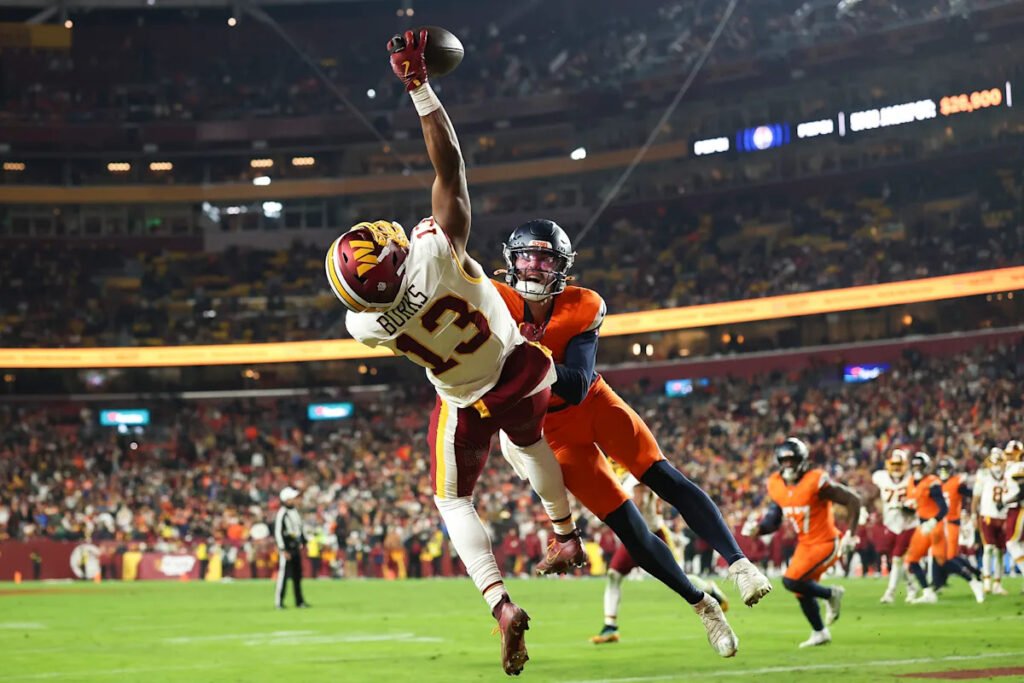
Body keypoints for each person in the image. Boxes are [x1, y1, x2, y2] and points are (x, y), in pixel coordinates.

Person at [325, 31, 584, 676]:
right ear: (389, 257)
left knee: (452, 500)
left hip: (463, 399)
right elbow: (451, 170)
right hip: (519, 371)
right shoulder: (437, 250)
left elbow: (369, 308)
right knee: (530, 449)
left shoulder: (369, 324)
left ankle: (499, 604)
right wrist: (420, 87)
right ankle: (564, 534)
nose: (382, 234)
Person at [490, 219, 770, 658]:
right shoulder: (492, 300)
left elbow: (578, 383)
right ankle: (704, 606)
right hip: (552, 431)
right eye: (527, 257)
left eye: (546, 259)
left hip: (594, 405)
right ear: (512, 260)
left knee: (663, 477)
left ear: (561, 267)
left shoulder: (582, 305)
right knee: (631, 532)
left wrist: (523, 357)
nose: (535, 268)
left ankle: (739, 563)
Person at [743, 438, 862, 649]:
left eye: (792, 460)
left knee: (790, 580)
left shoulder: (815, 480)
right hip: (805, 545)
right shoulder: (776, 484)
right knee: (800, 589)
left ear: (802, 460)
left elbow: (853, 500)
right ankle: (820, 632)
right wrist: (759, 529)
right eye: (784, 460)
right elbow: (774, 519)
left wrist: (851, 534)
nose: (788, 465)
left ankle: (831, 594)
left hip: (826, 542)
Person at [590, 473, 730, 646]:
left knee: (680, 578)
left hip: (652, 535)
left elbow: (637, 503)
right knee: (614, 575)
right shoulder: (625, 475)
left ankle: (710, 590)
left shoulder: (634, 476)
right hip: (633, 535)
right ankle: (610, 626)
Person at [934, 457, 984, 602]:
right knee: (941, 556)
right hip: (938, 523)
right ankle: (938, 583)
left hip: (952, 522)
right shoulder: (934, 484)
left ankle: (972, 578)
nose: (944, 472)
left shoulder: (956, 483)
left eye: (946, 469)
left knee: (949, 556)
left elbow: (971, 493)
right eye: (941, 469)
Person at [871, 449, 918, 603]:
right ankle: (911, 586)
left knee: (897, 559)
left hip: (908, 523)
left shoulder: (912, 479)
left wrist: (912, 506)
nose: (897, 468)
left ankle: (890, 593)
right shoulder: (881, 477)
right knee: (895, 559)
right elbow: (872, 494)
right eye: (894, 464)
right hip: (890, 523)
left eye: (900, 464)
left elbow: (919, 498)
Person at [902, 452, 949, 604]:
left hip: (935, 524)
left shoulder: (932, 482)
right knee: (912, 559)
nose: (917, 469)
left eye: (919, 466)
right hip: (922, 525)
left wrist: (934, 521)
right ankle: (928, 592)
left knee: (943, 560)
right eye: (914, 465)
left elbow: (944, 508)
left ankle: (974, 580)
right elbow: (914, 506)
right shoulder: (910, 482)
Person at [973, 448, 1019, 596]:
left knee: (1000, 551)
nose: (996, 465)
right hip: (987, 515)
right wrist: (974, 516)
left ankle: (997, 583)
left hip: (1003, 516)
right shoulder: (983, 475)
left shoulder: (1008, 474)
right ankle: (987, 581)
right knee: (988, 548)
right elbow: (976, 498)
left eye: (998, 461)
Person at [274, 487, 310, 609]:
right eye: (292, 498)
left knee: (297, 576)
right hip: (287, 548)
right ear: (286, 499)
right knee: (283, 576)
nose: (295, 500)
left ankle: (299, 601)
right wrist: (282, 549)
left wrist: (304, 541)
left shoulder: (294, 511)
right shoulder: (282, 513)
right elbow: (278, 532)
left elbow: (299, 528)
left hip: (295, 547)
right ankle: (279, 602)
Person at [1003, 440, 1024, 592]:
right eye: (1009, 454)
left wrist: (1007, 501)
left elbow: (1023, 491)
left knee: (1011, 542)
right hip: (1013, 508)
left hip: (1018, 508)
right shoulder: (1010, 467)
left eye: (1013, 454)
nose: (1010, 457)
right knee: (1020, 544)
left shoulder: (1019, 467)